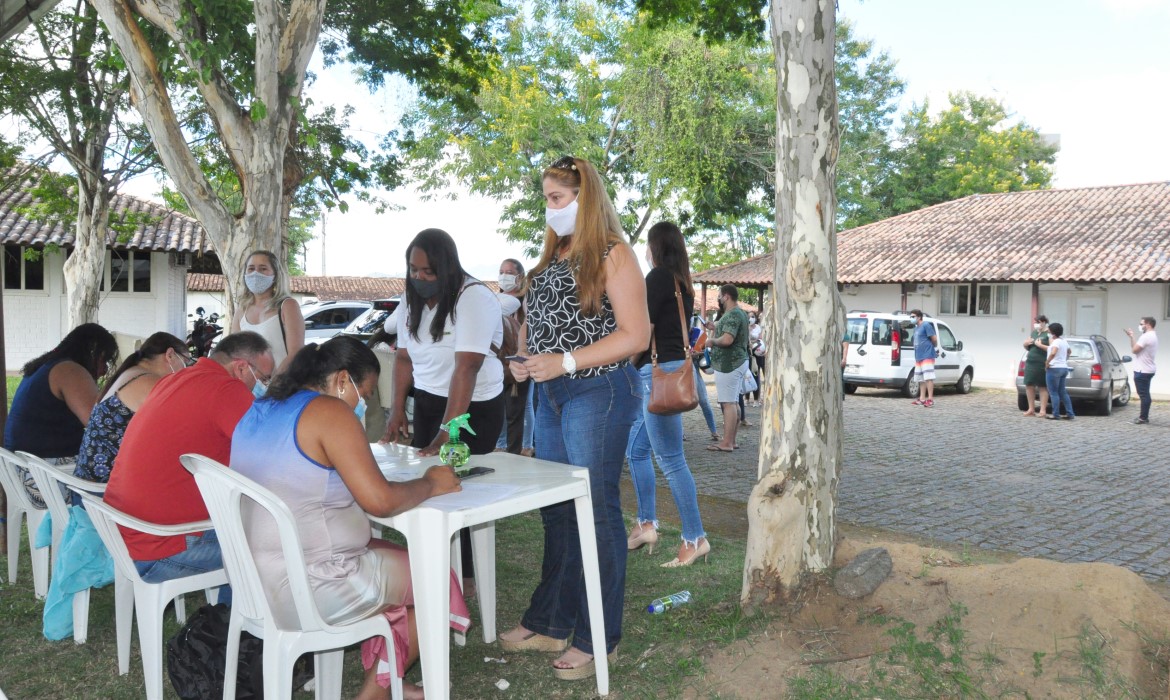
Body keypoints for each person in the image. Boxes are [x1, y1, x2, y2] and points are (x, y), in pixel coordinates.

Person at [231, 337, 465, 700]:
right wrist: (431, 483)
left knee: (397, 556)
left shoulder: (260, 410)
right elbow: (380, 501)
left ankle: (388, 676)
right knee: (435, 576)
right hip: (311, 587)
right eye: (365, 393)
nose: (364, 404)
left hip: (253, 583)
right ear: (342, 380)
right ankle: (374, 693)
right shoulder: (329, 412)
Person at [498, 156, 649, 681]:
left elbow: (636, 335)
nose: (549, 208)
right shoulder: (550, 257)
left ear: (585, 199)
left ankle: (597, 638)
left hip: (598, 391)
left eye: (557, 198)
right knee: (559, 512)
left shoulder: (613, 253)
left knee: (596, 512)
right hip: (551, 393)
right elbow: (536, 325)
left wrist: (565, 361)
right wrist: (523, 360)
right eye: (546, 198)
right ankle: (551, 621)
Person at [381, 228, 505, 594]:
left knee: (462, 490)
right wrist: (397, 410)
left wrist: (447, 430)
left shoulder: (473, 296)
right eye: (413, 270)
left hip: (473, 407)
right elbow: (404, 359)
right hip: (429, 400)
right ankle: (436, 564)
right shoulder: (410, 299)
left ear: (447, 267)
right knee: (429, 484)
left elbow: (467, 367)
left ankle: (465, 575)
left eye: (428, 271)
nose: (419, 277)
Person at [103, 331, 274, 583]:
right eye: (264, 378)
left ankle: (230, 605)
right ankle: (239, 607)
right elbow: (272, 455)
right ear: (240, 368)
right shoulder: (227, 389)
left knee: (248, 525)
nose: (265, 386)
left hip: (125, 537)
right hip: (160, 548)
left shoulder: (175, 379)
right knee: (282, 545)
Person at [625, 221, 710, 567]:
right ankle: (646, 524)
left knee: (671, 460)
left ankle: (694, 538)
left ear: (656, 247)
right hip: (669, 370)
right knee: (636, 451)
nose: (645, 251)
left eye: (648, 244)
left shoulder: (657, 278)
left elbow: (642, 334)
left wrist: (624, 367)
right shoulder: (681, 282)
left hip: (656, 373)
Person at [4, 323, 118, 507]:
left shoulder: (47, 366)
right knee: (125, 470)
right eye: (104, 360)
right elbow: (99, 424)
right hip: (43, 480)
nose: (104, 369)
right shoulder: (70, 371)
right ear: (92, 352)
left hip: (22, 472)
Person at [74, 332, 192, 490]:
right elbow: (180, 426)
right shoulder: (148, 382)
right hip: (103, 491)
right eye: (186, 362)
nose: (186, 370)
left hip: (88, 483)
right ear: (170, 355)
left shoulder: (130, 373)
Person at [230, 249, 304, 374]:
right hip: (251, 384)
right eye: (251, 268)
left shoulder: (288, 306)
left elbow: (296, 352)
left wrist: (273, 382)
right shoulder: (241, 311)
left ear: (275, 275)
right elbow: (235, 352)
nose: (255, 274)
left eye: (263, 269)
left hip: (284, 383)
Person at [703, 284, 750, 453]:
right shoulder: (740, 313)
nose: (719, 298)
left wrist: (712, 341)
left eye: (720, 295)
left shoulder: (732, 314)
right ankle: (732, 440)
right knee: (734, 402)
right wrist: (715, 327)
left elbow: (728, 339)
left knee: (728, 403)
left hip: (729, 364)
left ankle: (727, 442)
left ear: (726, 296)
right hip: (738, 362)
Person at [494, 258, 533, 455]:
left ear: (520, 276)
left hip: (521, 359)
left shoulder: (526, 300)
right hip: (500, 362)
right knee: (501, 405)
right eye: (501, 272)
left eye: (509, 272)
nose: (504, 276)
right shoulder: (496, 300)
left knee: (522, 406)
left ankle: (525, 445)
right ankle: (501, 444)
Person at [1125, 316, 1158, 424]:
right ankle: (1144, 416)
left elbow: (1134, 350)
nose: (1140, 326)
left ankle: (1143, 417)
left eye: (1141, 324)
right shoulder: (1152, 335)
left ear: (1148, 324)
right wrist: (1132, 337)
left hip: (1142, 370)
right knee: (1145, 394)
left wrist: (1133, 338)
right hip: (1147, 369)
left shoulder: (1146, 337)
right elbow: (1136, 348)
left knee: (1144, 395)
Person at [1044, 322, 1075, 420]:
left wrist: (1047, 362)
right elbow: (1069, 351)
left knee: (1053, 392)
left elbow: (1053, 352)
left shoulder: (1056, 342)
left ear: (1052, 332)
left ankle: (1055, 414)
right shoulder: (1064, 341)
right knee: (1063, 392)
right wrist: (1064, 359)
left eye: (1049, 330)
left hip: (1054, 368)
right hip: (1063, 367)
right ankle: (1070, 413)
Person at [1021, 315, 1051, 417]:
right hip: (1030, 362)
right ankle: (1031, 409)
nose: (1036, 324)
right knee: (1029, 385)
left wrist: (1040, 345)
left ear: (1044, 322)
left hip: (1042, 362)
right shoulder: (1034, 333)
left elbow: (1051, 348)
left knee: (1042, 386)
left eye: (1038, 322)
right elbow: (1029, 347)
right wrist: (1025, 344)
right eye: (1036, 322)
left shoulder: (1048, 333)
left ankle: (1042, 410)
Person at [909, 309, 939, 407]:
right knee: (921, 378)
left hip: (927, 355)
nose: (911, 318)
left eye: (913, 316)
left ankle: (930, 399)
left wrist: (932, 348)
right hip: (919, 356)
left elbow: (934, 339)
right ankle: (922, 399)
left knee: (928, 377)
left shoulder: (926, 325)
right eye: (911, 316)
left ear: (919, 317)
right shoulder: (916, 328)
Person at [748, 312, 765, 407]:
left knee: (757, 376)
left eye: (752, 316)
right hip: (750, 355)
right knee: (749, 376)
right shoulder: (746, 328)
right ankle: (747, 398)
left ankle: (757, 399)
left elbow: (760, 339)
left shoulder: (759, 327)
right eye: (749, 317)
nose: (751, 318)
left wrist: (753, 342)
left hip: (759, 354)